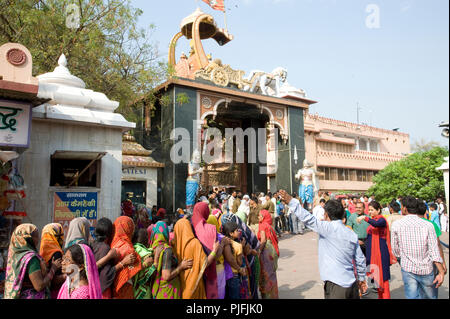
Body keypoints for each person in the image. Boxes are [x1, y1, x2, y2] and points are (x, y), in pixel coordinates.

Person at [280, 190, 367, 299]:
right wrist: (362, 278)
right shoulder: (351, 233)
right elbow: (360, 259)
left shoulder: (327, 228)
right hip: (351, 284)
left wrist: (291, 202)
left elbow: (308, 219)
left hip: (336, 285)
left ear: (326, 214)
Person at [391, 196, 445, 299]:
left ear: (405, 208)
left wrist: (403, 257)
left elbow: (395, 250)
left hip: (408, 268)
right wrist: (441, 271)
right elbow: (434, 250)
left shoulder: (396, 225)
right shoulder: (428, 225)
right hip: (426, 268)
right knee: (430, 297)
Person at [4, 224, 62, 299]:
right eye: (36, 236)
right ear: (28, 239)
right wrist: (53, 269)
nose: (38, 239)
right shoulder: (31, 258)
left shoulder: (14, 256)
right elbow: (39, 286)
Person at [174, 218, 223, 299]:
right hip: (194, 287)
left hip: (182, 287)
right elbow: (205, 263)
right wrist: (214, 250)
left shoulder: (175, 245)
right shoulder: (194, 243)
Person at [356, 201, 397, 299]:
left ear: (378, 210)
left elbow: (376, 224)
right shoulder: (373, 220)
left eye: (372, 210)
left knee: (384, 280)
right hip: (373, 253)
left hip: (381, 253)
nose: (370, 212)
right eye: (369, 210)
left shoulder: (381, 220)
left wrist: (364, 217)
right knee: (377, 280)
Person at [91, 217, 135, 299]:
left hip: (93, 289)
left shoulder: (92, 245)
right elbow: (106, 275)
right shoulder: (107, 248)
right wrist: (122, 263)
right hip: (103, 292)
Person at [150, 221, 191, 299]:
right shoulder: (166, 249)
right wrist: (181, 267)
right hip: (168, 291)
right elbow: (166, 276)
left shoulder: (152, 248)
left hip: (158, 290)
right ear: (166, 233)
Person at [418, 201, 447, 298]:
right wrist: (442, 263)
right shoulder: (431, 224)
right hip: (431, 262)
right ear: (425, 211)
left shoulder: (407, 225)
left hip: (414, 265)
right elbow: (438, 246)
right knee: (431, 290)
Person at [191, 202, 219, 299]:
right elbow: (217, 253)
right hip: (209, 268)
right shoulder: (211, 229)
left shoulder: (189, 227)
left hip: (191, 270)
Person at [111, 216, 142, 299]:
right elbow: (135, 272)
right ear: (129, 229)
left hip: (111, 287)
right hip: (124, 288)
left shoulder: (111, 243)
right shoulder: (127, 248)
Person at [39, 223, 66, 299]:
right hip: (56, 292)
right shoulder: (56, 253)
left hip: (45, 292)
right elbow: (56, 278)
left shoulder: (42, 252)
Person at [257, 210, 279, 299]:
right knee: (271, 274)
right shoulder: (269, 225)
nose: (258, 217)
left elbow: (263, 240)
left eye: (259, 216)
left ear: (263, 217)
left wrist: (258, 251)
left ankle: (267, 296)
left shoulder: (262, 226)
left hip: (265, 251)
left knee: (266, 275)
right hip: (271, 250)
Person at [222, 221, 246, 299]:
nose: (239, 232)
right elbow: (239, 262)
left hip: (224, 275)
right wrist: (242, 249)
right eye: (236, 230)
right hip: (234, 275)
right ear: (231, 233)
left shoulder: (222, 242)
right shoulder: (238, 245)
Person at [132, 228, 156, 299]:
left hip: (134, 289)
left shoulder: (132, 248)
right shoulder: (146, 253)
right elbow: (152, 272)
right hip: (144, 289)